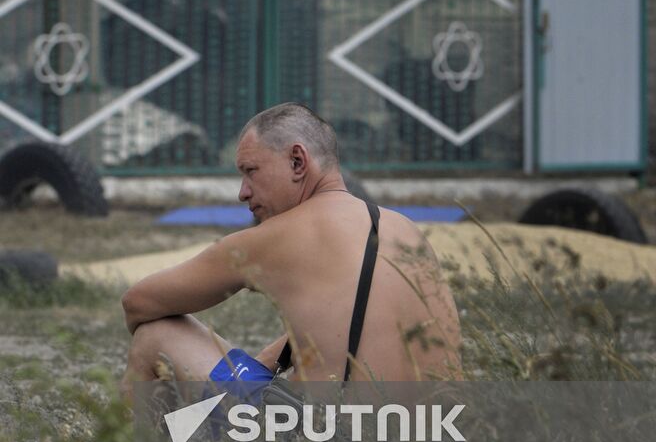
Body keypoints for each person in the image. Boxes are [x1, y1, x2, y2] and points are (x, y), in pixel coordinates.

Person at [120, 102, 462, 401]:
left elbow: (139, 303)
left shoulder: (276, 237)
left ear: (298, 162)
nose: (242, 192)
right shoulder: (405, 229)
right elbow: (355, 321)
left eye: (250, 171)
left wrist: (236, 385)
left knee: (155, 336)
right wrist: (270, 360)